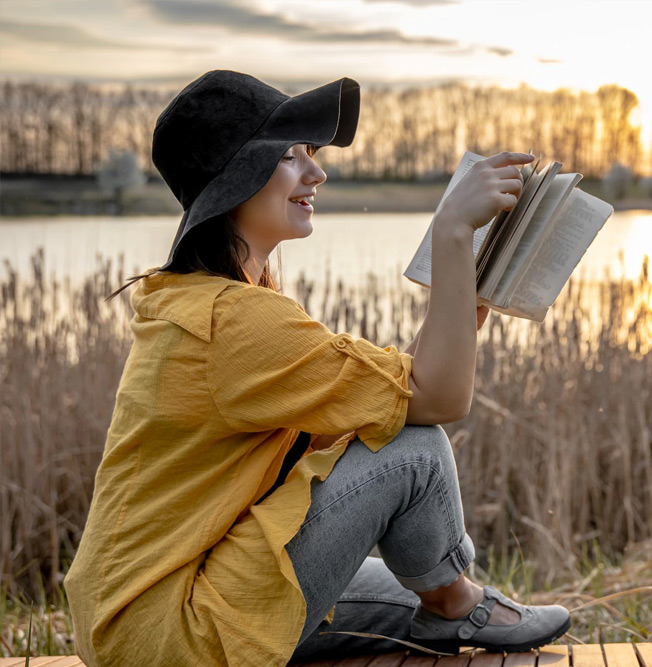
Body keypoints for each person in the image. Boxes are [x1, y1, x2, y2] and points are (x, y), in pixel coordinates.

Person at [64, 69, 571, 667]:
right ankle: (456, 601)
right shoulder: (233, 320)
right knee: (415, 452)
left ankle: (447, 604)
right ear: (238, 178)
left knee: (399, 596)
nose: (317, 172)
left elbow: (389, 395)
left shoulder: (206, 299)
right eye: (290, 156)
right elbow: (435, 403)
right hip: (173, 630)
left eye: (311, 153)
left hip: (141, 615)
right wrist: (452, 232)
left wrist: (465, 301)